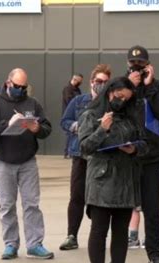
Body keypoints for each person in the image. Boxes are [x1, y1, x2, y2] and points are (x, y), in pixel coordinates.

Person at [0, 68, 54, 260]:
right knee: (7, 205)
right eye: (17, 86)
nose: (20, 90)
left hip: (27, 160)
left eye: (24, 87)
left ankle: (34, 244)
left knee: (32, 204)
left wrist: (37, 127)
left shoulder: (33, 103)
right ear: (8, 83)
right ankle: (10, 244)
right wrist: (8, 123)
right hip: (3, 161)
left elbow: (47, 128)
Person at [78, 77, 148, 263]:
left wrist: (134, 149)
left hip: (126, 179)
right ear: (109, 93)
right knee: (99, 230)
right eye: (118, 96)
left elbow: (144, 143)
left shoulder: (131, 116)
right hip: (101, 180)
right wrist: (102, 130)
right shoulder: (91, 115)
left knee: (120, 232)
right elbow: (84, 147)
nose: (122, 101)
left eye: (126, 99)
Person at [126, 45, 159, 263]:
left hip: (152, 156)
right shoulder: (121, 85)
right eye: (133, 64)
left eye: (141, 64)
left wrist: (149, 85)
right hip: (127, 157)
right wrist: (131, 88)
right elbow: (115, 110)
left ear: (148, 64)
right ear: (128, 64)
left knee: (152, 209)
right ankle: (119, 253)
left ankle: (154, 254)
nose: (137, 67)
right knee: (122, 207)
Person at [59, 64, 111, 251]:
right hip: (80, 155)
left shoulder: (112, 102)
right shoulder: (79, 101)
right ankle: (71, 235)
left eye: (105, 82)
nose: (101, 85)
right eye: (98, 81)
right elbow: (64, 121)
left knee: (100, 198)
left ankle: (97, 237)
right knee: (77, 196)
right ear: (91, 82)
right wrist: (78, 127)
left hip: (103, 156)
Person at [62, 73, 84, 159]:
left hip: (77, 115)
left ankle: (72, 151)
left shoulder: (77, 90)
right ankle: (67, 152)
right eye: (79, 81)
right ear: (74, 79)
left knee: (74, 134)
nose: (80, 83)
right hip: (69, 114)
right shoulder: (67, 89)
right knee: (69, 134)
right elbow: (69, 101)